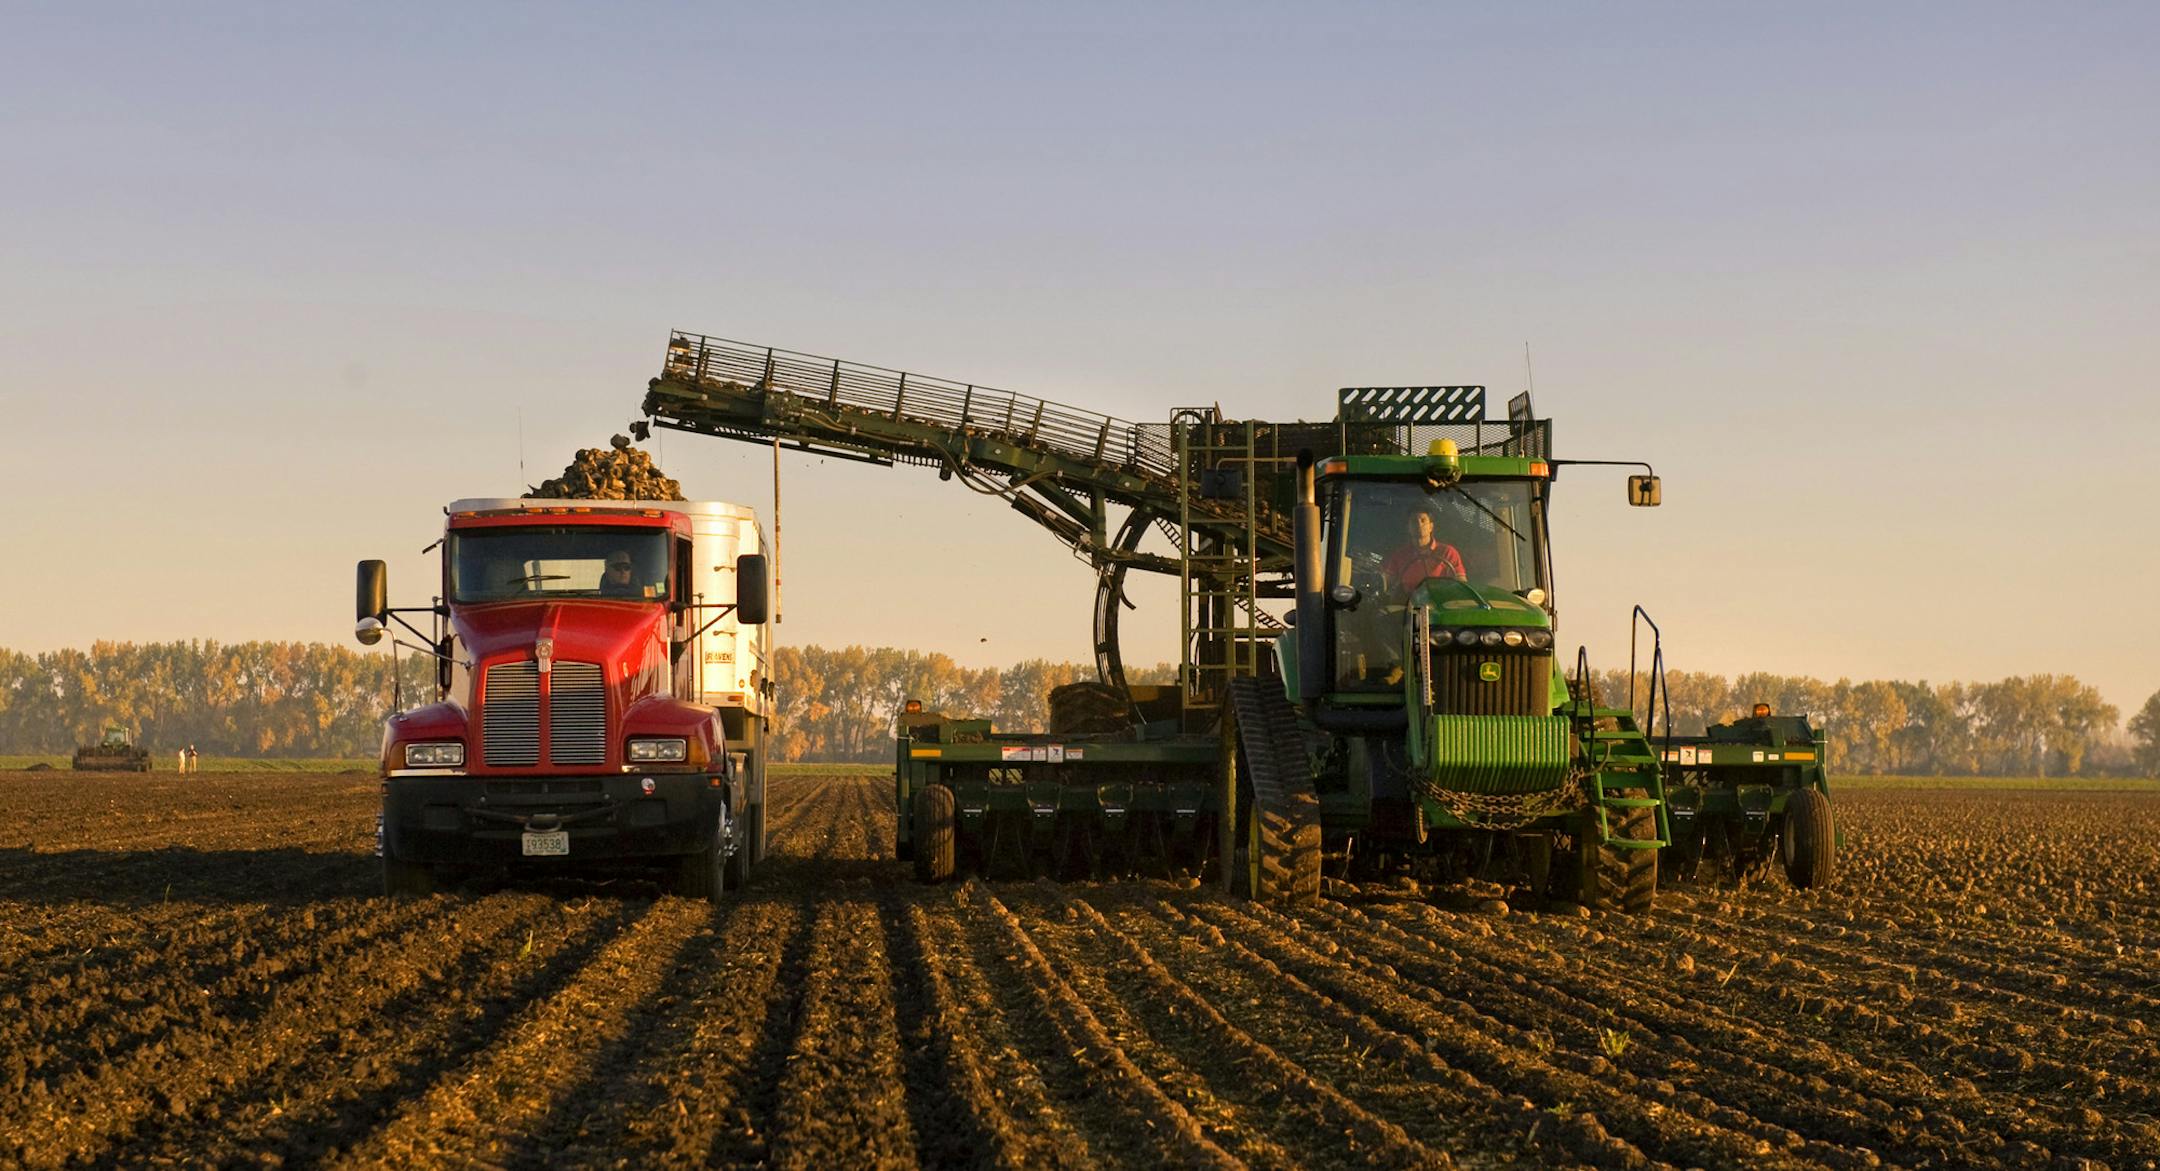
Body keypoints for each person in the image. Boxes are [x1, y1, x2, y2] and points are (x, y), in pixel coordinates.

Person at [1380, 509, 1466, 594]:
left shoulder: (1448, 552)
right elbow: (1387, 583)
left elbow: (1461, 582)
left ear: (1431, 527)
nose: (1419, 524)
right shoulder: (1399, 556)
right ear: (1408, 527)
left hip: (1440, 603)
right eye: (1414, 521)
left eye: (1423, 520)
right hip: (1408, 604)